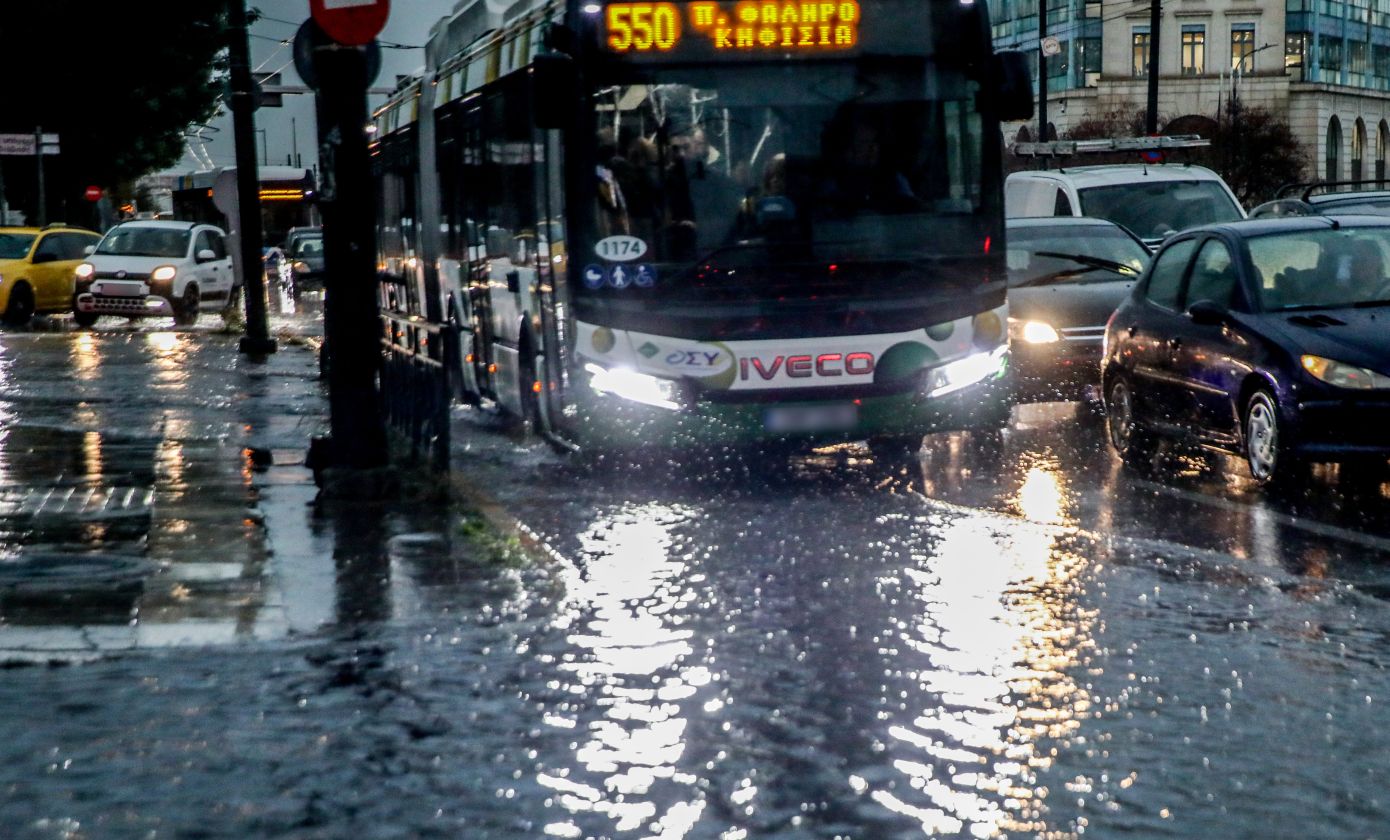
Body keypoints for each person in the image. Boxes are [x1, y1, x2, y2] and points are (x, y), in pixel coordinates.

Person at [663, 126, 743, 258]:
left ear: (696, 146)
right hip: (673, 254)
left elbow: (731, 220)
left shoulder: (719, 181)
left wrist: (699, 226)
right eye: (676, 149)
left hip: (711, 252)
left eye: (686, 147)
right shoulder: (663, 183)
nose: (681, 154)